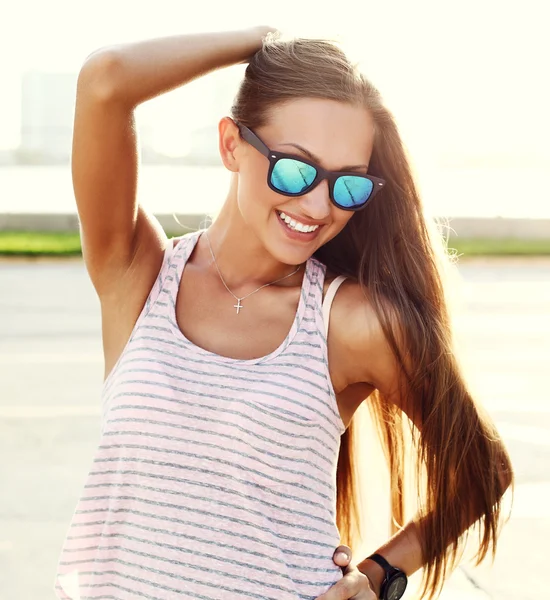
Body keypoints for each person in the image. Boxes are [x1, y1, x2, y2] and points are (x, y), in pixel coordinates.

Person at [54, 27, 513, 600]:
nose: (319, 207)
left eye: (348, 186)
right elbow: (104, 82)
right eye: (295, 170)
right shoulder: (138, 275)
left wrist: (379, 576)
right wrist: (259, 41)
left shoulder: (350, 322)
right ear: (231, 145)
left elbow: (483, 471)